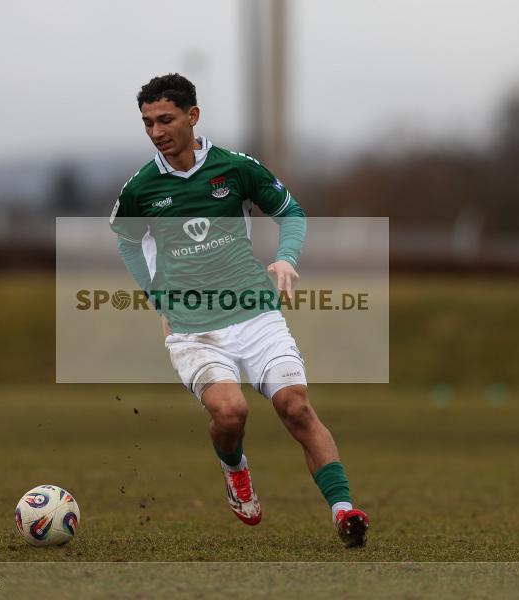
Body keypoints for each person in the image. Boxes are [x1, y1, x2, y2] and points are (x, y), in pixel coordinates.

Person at [110, 73, 369, 548]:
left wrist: (287, 258)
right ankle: (235, 468)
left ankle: (344, 510)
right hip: (193, 328)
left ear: (193, 116)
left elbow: (291, 212)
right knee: (230, 414)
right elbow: (126, 240)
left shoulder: (236, 168)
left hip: (255, 314)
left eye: (165, 119)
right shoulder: (141, 188)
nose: (156, 131)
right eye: (147, 123)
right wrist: (156, 296)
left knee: (296, 407)